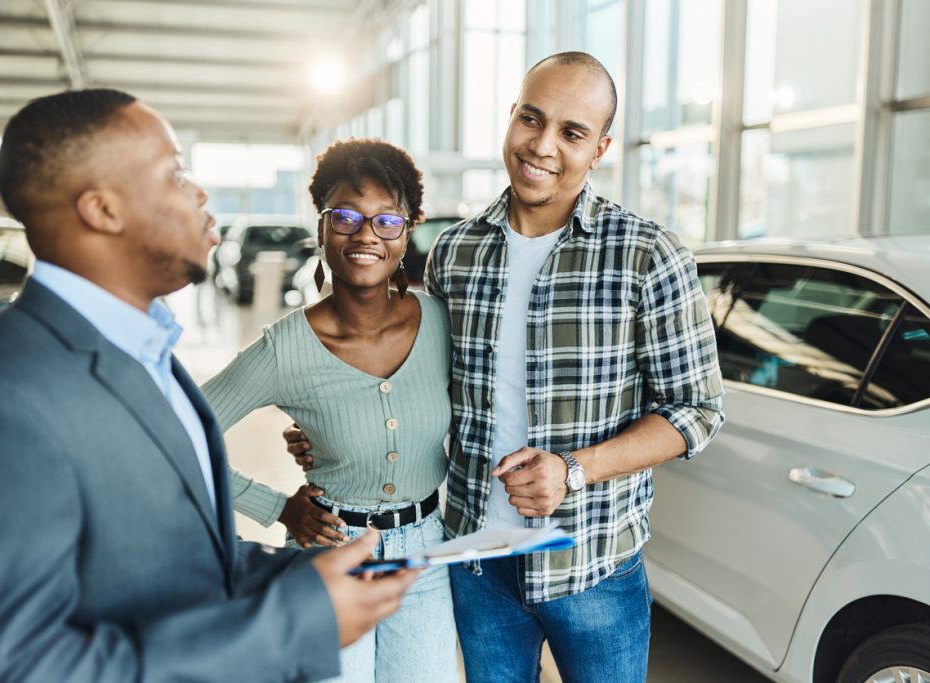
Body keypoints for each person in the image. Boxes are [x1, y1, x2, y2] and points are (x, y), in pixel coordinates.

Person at [0, 89, 418, 683]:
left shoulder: (147, 354)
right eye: (175, 173)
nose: (200, 193)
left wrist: (297, 578)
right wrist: (288, 622)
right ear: (102, 210)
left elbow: (170, 556)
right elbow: (4, 670)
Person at [287, 52, 725, 682]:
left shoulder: (648, 256)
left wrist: (575, 470)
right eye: (531, 118)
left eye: (571, 133)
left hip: (593, 564)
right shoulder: (456, 252)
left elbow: (699, 411)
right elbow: (420, 381)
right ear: (512, 116)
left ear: (599, 149)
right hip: (476, 561)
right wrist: (338, 428)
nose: (542, 145)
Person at [201, 138, 458, 683]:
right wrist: (276, 506)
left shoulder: (441, 322)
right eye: (344, 216)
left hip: (425, 558)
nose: (365, 235)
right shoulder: (283, 349)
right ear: (319, 226)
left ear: (407, 230)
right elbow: (173, 439)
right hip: (327, 557)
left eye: (387, 220)